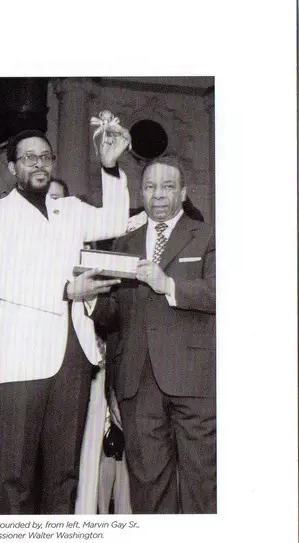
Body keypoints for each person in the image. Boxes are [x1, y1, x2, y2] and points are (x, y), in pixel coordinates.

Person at [0, 125, 131, 514]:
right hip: (24, 356)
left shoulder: (70, 209)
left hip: (74, 352)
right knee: (16, 474)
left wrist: (110, 167)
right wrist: (65, 290)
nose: (39, 164)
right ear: (12, 167)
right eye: (29, 157)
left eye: (45, 157)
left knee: (65, 473)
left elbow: (115, 221)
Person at [91, 154, 216, 513]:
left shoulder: (207, 236)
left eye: (167, 186)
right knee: (148, 492)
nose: (158, 194)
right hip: (137, 384)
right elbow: (113, 318)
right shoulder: (123, 243)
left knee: (202, 486)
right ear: (141, 192)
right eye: (150, 187)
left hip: (195, 383)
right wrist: (90, 299)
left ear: (183, 192)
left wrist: (169, 285)